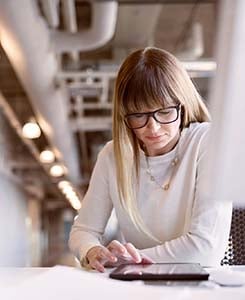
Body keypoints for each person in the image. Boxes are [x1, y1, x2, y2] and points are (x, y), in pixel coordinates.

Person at [69, 47, 232, 272]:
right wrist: (92, 251)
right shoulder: (111, 156)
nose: (152, 128)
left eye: (164, 112)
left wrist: (127, 260)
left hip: (201, 285)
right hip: (143, 286)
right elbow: (82, 231)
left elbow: (205, 249)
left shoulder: (209, 142)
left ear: (182, 105)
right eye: (138, 115)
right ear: (124, 115)